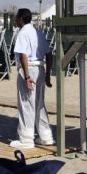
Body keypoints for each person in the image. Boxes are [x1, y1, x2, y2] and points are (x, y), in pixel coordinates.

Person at [10, 8, 54, 149]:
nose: (15, 20)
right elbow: (49, 54)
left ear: (21, 18)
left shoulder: (23, 33)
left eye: (17, 17)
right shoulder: (39, 32)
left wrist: (27, 75)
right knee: (39, 103)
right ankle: (46, 136)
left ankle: (26, 139)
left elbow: (23, 55)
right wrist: (47, 75)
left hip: (29, 68)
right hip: (40, 68)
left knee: (26, 103)